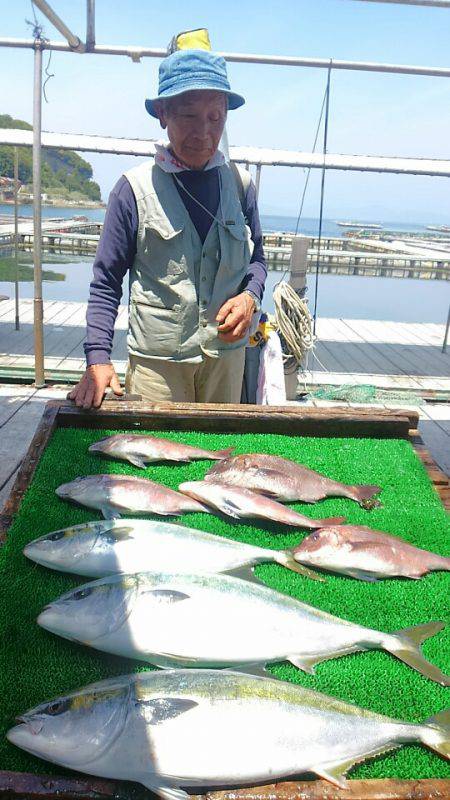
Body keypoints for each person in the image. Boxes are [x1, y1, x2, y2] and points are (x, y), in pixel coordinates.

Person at [69, 49, 267, 408]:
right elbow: (106, 281)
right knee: (159, 456)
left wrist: (250, 296)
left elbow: (259, 261)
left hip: (226, 361)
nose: (204, 132)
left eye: (215, 117)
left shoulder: (241, 185)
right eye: (189, 116)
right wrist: (97, 358)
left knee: (222, 454)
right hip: (157, 369)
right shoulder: (133, 190)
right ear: (162, 114)